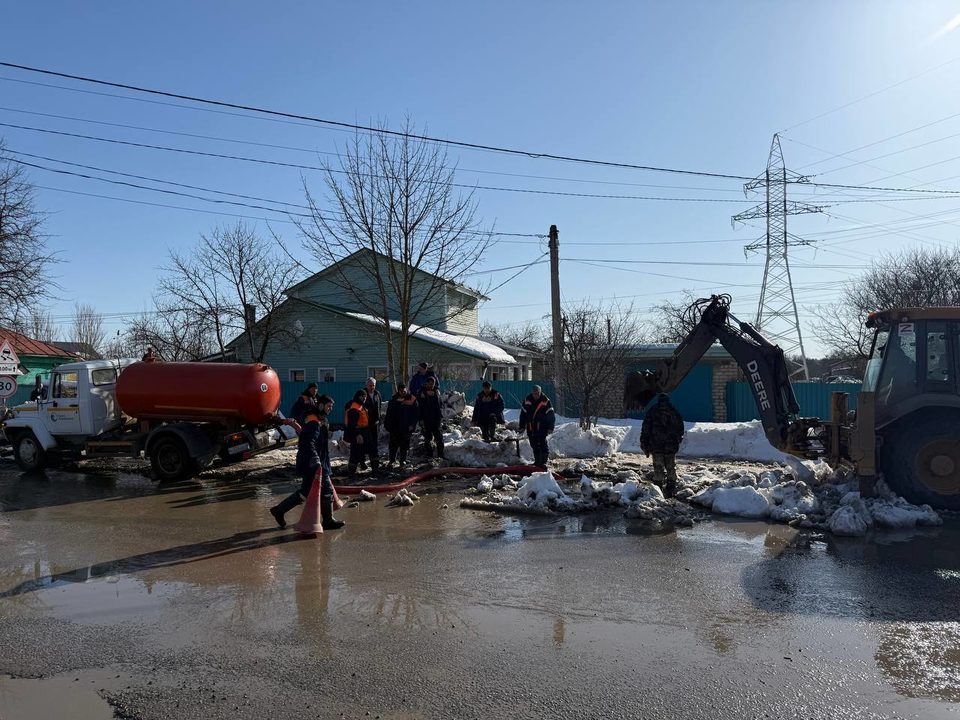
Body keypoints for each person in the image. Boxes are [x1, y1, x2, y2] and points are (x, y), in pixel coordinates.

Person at [269, 395, 344, 530]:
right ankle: (327, 520)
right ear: (321, 405)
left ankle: (279, 510)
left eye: (331, 407)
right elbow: (308, 443)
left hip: (316, 460)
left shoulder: (320, 419)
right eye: (328, 406)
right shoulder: (313, 421)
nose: (330, 409)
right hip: (313, 462)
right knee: (326, 489)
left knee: (305, 492)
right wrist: (315, 460)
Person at [640, 393, 685, 498]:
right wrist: (677, 440)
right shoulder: (673, 411)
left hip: (656, 445)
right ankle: (671, 487)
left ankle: (658, 488)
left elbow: (646, 428)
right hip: (671, 445)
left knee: (658, 467)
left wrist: (644, 442)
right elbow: (680, 428)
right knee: (670, 466)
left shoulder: (653, 411)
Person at [519, 385, 556, 467]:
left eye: (537, 393)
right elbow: (523, 414)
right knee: (533, 444)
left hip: (542, 426)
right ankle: (537, 461)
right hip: (531, 426)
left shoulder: (545, 401)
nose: (535, 395)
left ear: (540, 392)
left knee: (542, 442)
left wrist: (550, 427)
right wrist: (522, 426)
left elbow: (551, 415)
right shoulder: (527, 400)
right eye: (534, 393)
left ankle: (544, 462)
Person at [384, 383, 419, 467]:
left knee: (405, 444)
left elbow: (416, 414)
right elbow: (389, 413)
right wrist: (387, 425)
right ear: (398, 391)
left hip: (406, 426)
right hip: (395, 427)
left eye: (404, 390)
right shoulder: (394, 400)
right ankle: (392, 460)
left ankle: (402, 460)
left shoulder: (412, 399)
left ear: (406, 389)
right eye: (401, 391)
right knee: (393, 444)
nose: (403, 392)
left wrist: (413, 425)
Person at [344, 389, 376, 475]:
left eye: (365, 397)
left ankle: (375, 470)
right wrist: (357, 434)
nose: (364, 398)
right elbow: (352, 424)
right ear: (358, 397)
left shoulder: (361, 406)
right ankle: (351, 473)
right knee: (355, 453)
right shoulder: (355, 408)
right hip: (358, 433)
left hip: (365, 431)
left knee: (372, 450)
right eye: (362, 397)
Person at [417, 376, 444, 459]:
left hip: (436, 419)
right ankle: (429, 455)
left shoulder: (437, 392)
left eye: (433, 384)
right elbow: (419, 406)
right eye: (430, 384)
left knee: (439, 438)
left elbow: (440, 404)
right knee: (427, 438)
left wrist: (435, 395)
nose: (431, 385)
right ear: (426, 384)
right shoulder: (421, 392)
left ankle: (440, 455)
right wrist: (420, 419)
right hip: (426, 419)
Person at [361, 377, 383, 471]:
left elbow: (379, 405)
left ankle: (374, 464)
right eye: (370, 385)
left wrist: (378, 418)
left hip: (375, 423)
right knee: (364, 444)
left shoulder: (377, 394)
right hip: (365, 423)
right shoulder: (362, 394)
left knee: (374, 444)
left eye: (373, 385)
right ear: (366, 385)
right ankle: (362, 462)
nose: (372, 387)